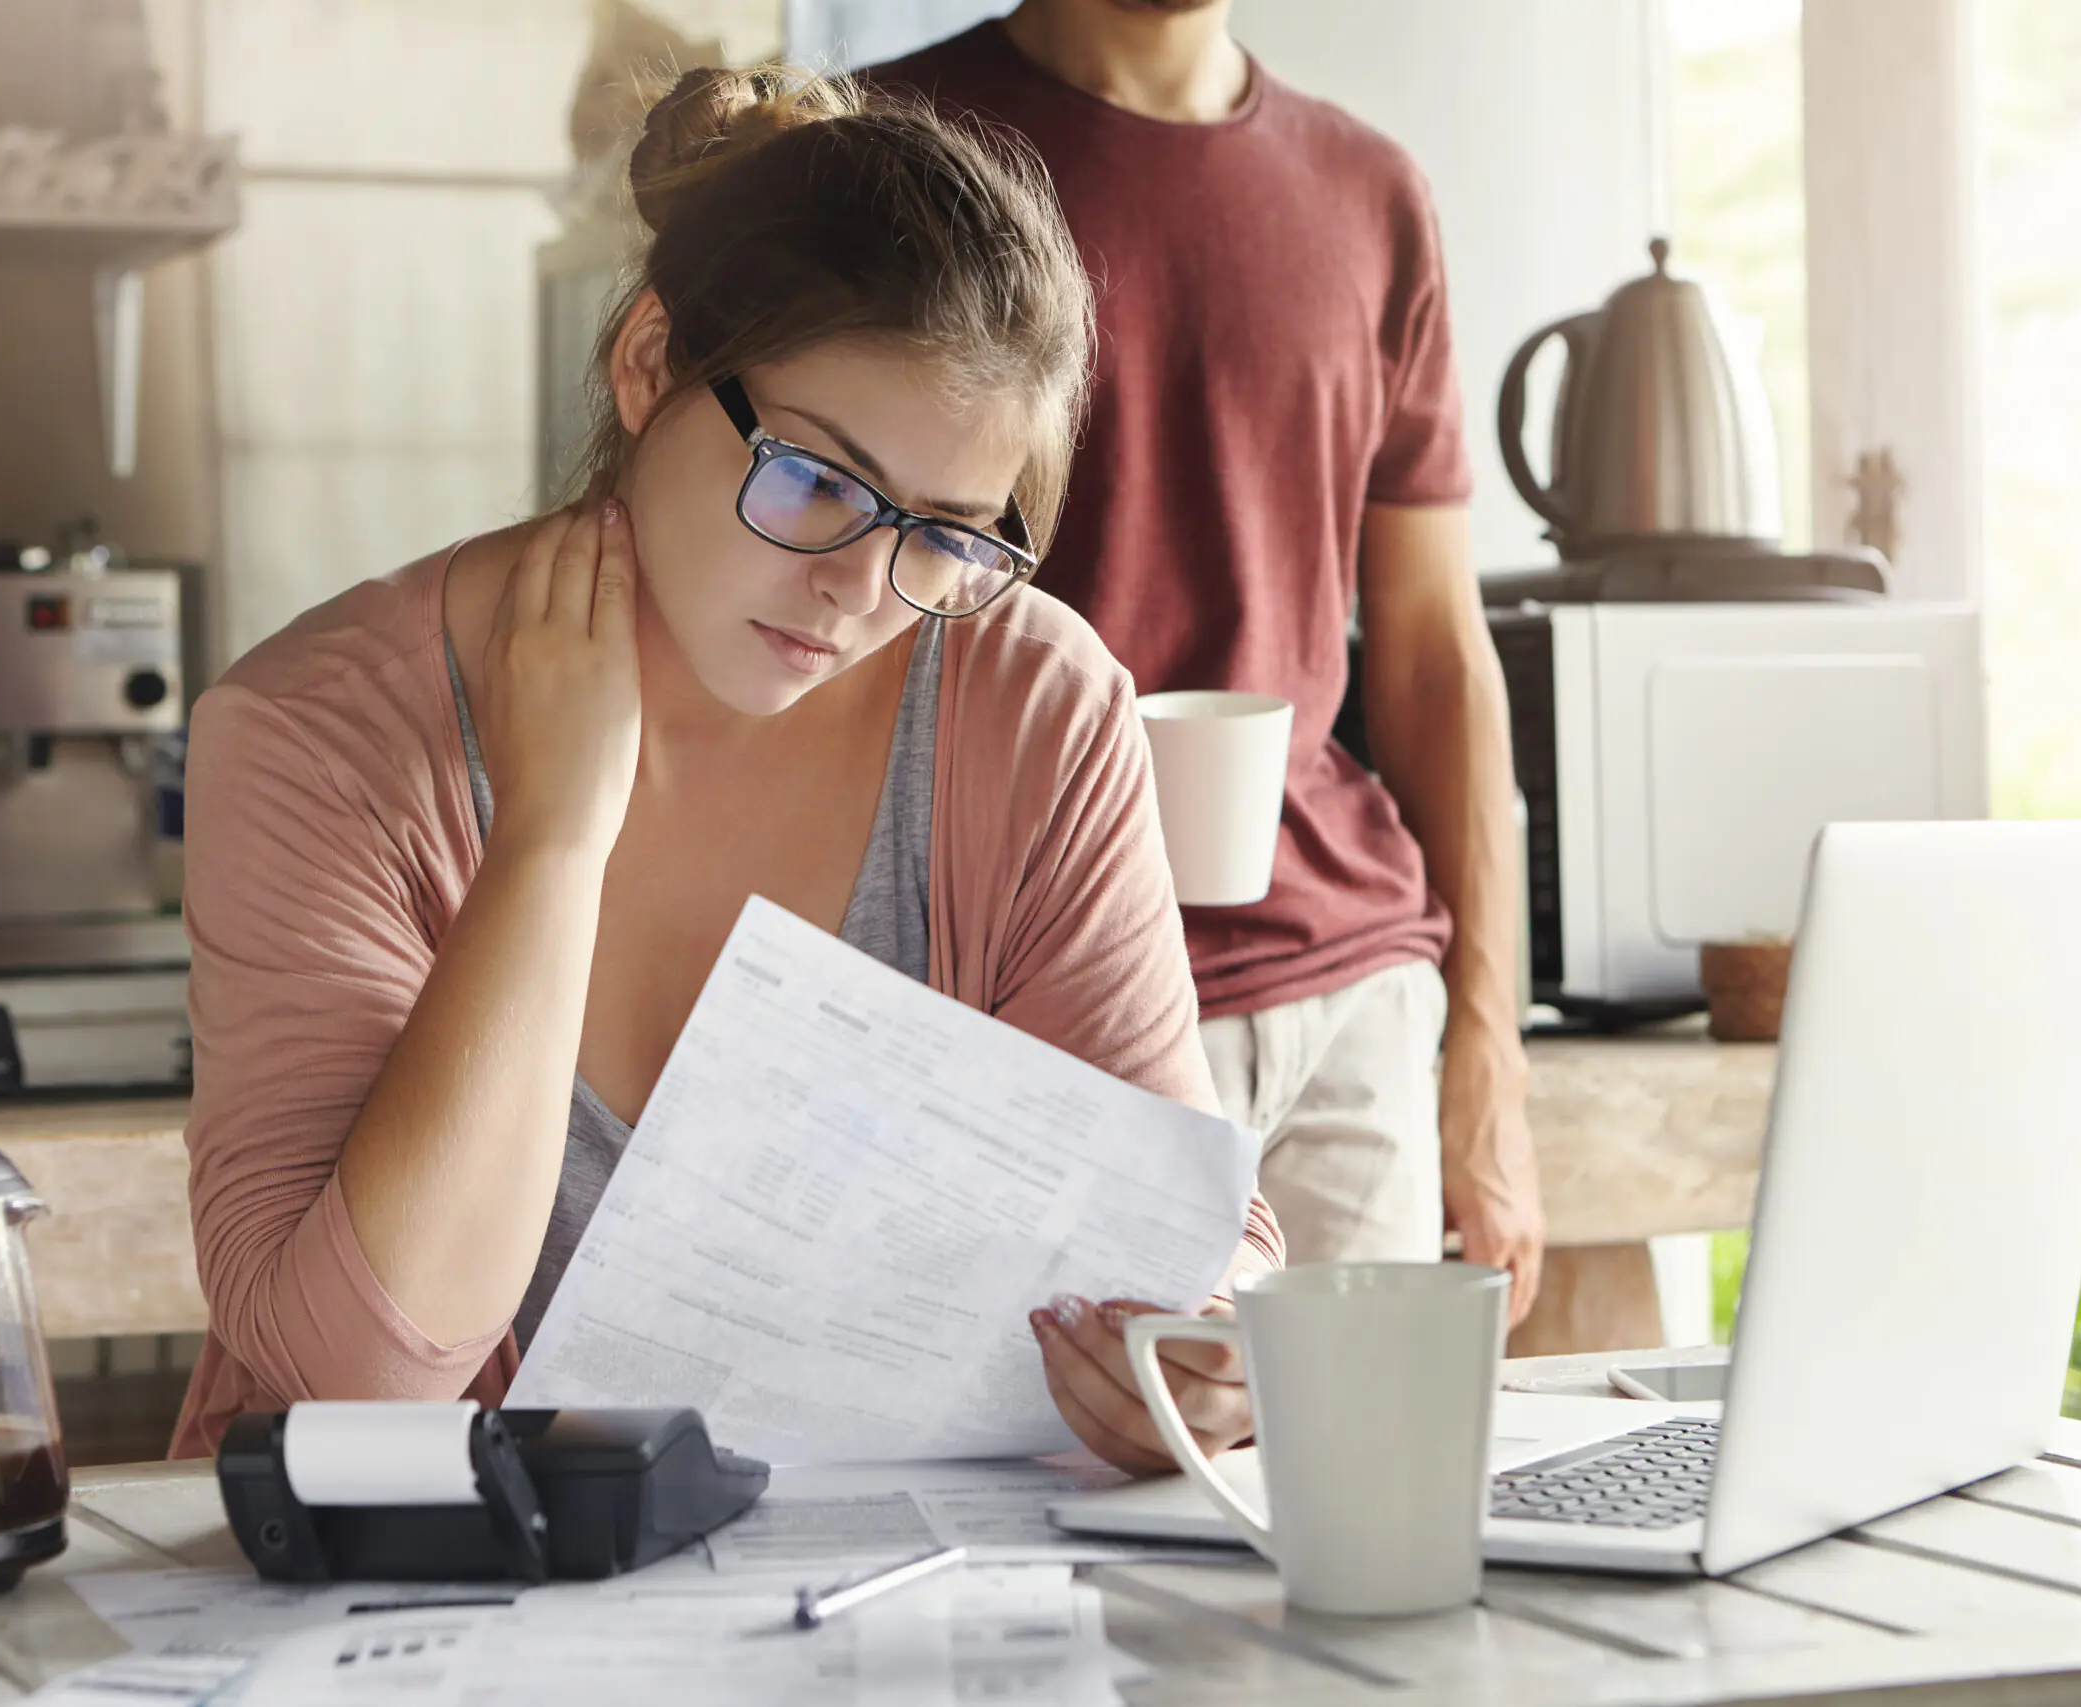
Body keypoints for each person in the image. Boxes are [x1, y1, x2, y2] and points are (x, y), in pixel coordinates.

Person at [168, 68, 1283, 1471]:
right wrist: (552, 840)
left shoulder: (1029, 704)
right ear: (648, 364)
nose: (857, 592)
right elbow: (360, 1371)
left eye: (944, 534)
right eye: (816, 481)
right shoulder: (312, 734)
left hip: (869, 1608)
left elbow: (1179, 1227)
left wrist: (1202, 1347)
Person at [873, 1, 1545, 1322]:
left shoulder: (1372, 192)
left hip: (1349, 992)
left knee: (1365, 1513)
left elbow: (1434, 657)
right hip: (1026, 992)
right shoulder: (891, 156)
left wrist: (1490, 1048)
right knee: (1077, 1504)